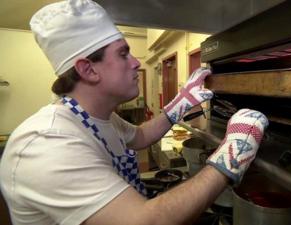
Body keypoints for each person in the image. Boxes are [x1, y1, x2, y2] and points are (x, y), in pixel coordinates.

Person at [0, 0, 268, 224]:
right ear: (88, 70)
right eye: (123, 54)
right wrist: (233, 152)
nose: (136, 62)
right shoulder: (49, 144)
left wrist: (180, 104)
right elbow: (144, 221)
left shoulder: (97, 117)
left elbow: (139, 137)